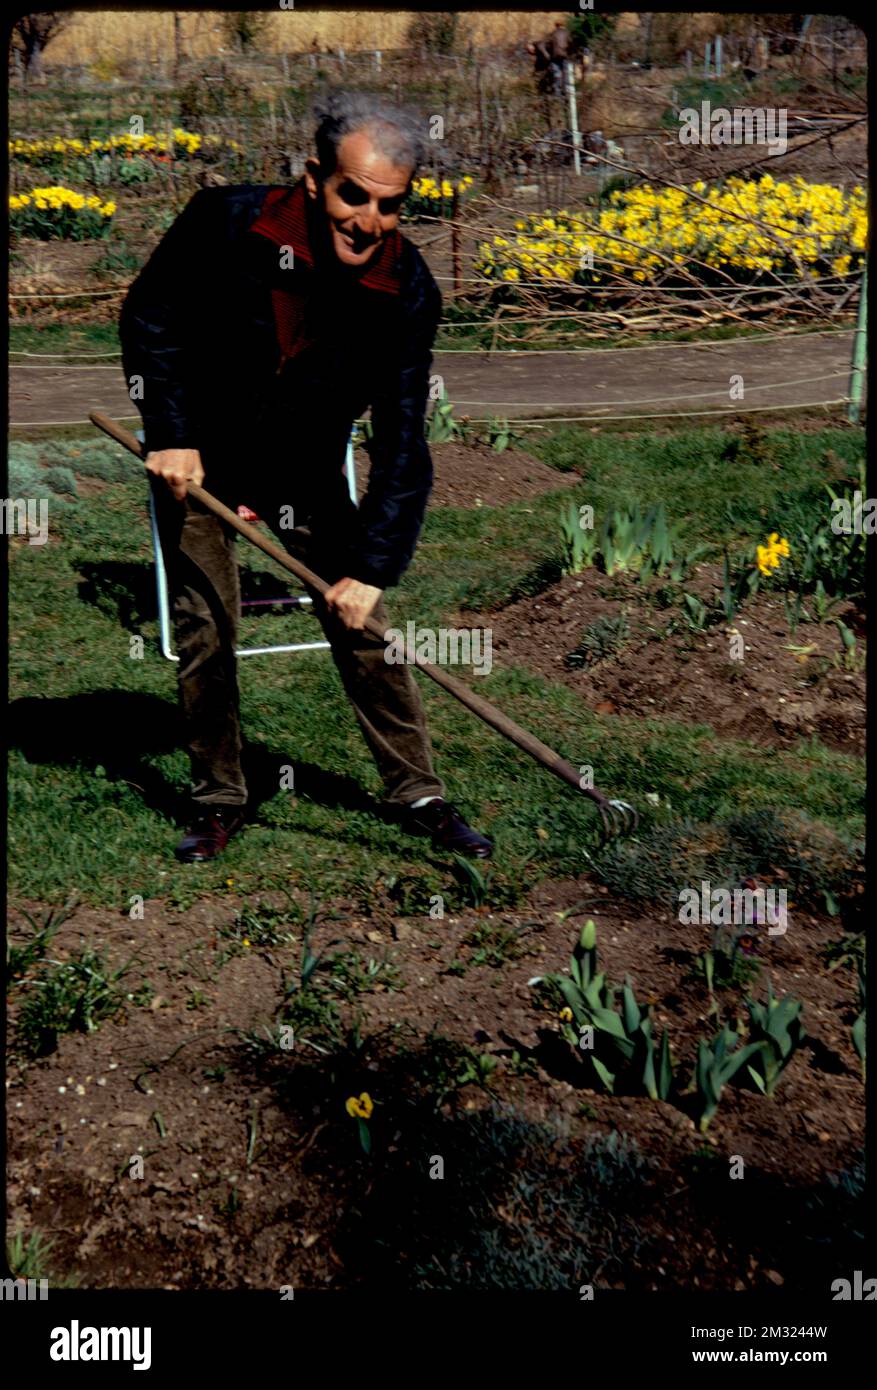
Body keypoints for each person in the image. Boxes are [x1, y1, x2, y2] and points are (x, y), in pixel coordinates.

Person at [120, 91, 493, 864]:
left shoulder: (405, 290)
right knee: (206, 626)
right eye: (352, 194)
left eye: (389, 205)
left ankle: (416, 792)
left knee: (365, 632)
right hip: (203, 460)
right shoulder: (225, 223)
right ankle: (219, 797)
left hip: (302, 465)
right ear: (315, 177)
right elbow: (153, 315)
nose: (367, 219)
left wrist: (372, 567)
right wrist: (174, 435)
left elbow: (400, 438)